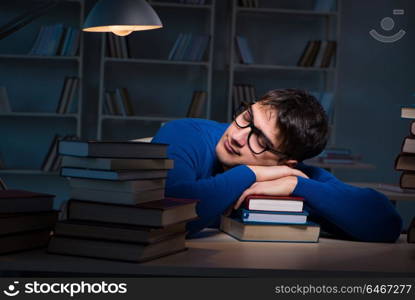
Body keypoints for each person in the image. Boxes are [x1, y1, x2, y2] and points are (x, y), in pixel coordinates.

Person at [152, 89, 402, 242]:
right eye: (246, 118)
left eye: (260, 140)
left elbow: (386, 223)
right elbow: (169, 213)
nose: (238, 137)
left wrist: (296, 185)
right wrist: (250, 173)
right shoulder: (186, 133)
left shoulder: (293, 175)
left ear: (286, 161)